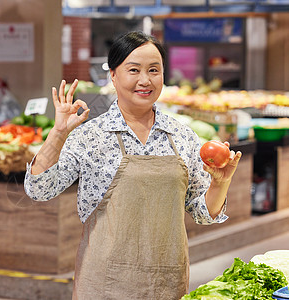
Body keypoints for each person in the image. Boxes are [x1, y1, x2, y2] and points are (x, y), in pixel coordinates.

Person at [24, 31, 242, 299]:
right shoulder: (90, 136)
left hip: (167, 283)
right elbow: (39, 190)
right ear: (113, 75)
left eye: (154, 70)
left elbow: (202, 214)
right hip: (104, 284)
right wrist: (58, 133)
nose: (145, 80)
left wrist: (221, 182)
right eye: (134, 70)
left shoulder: (182, 136)